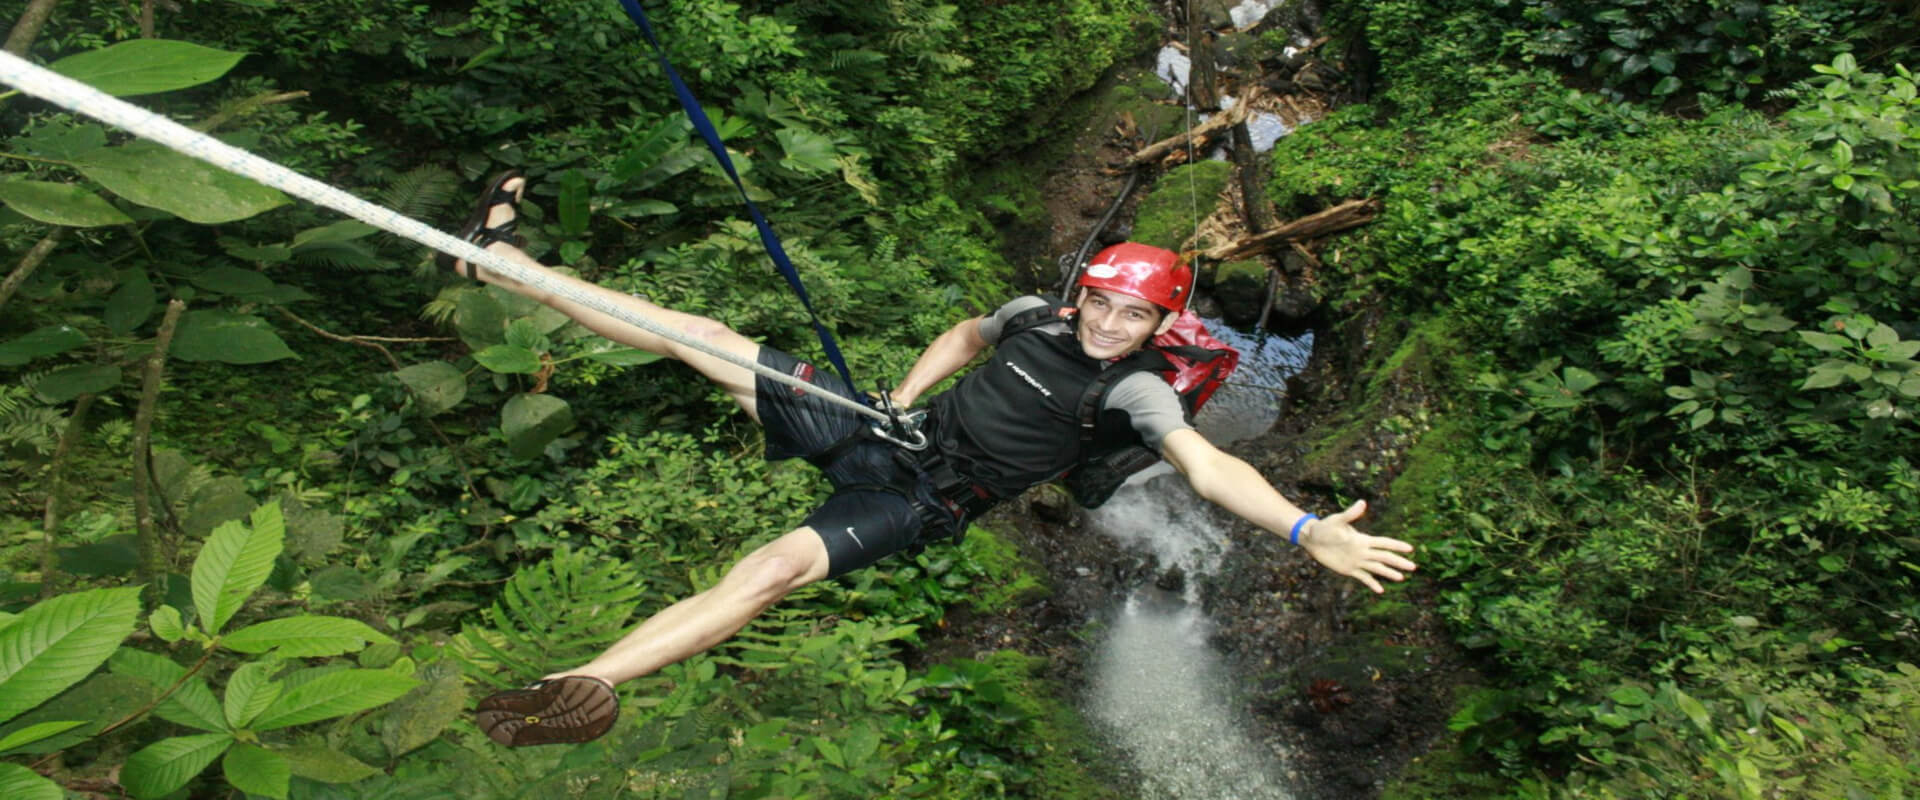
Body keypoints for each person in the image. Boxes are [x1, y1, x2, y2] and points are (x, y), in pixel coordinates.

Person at [453, 172, 1419, 747]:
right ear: (1079, 295)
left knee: (776, 569)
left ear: (1162, 325)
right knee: (698, 336)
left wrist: (1302, 529)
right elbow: (964, 334)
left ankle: (590, 680)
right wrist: (904, 398)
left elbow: (1208, 468)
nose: (1111, 326)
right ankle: (501, 265)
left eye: (1137, 317)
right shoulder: (1034, 318)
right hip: (886, 431)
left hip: (928, 500)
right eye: (1103, 305)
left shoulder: (1135, 390)